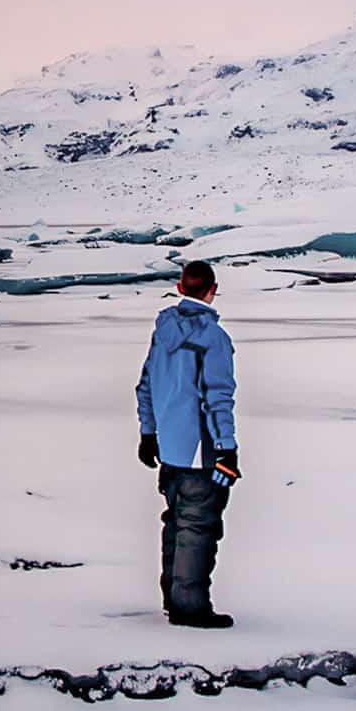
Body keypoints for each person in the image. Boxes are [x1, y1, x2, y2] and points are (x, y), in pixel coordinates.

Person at [133, 259, 239, 628]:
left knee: (176, 522)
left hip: (171, 450)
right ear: (212, 289)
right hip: (201, 450)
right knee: (198, 525)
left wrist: (149, 434)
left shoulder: (162, 332)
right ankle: (189, 607)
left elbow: (145, 385)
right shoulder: (214, 339)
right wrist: (227, 448)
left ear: (180, 289)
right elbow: (217, 396)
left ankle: (174, 599)